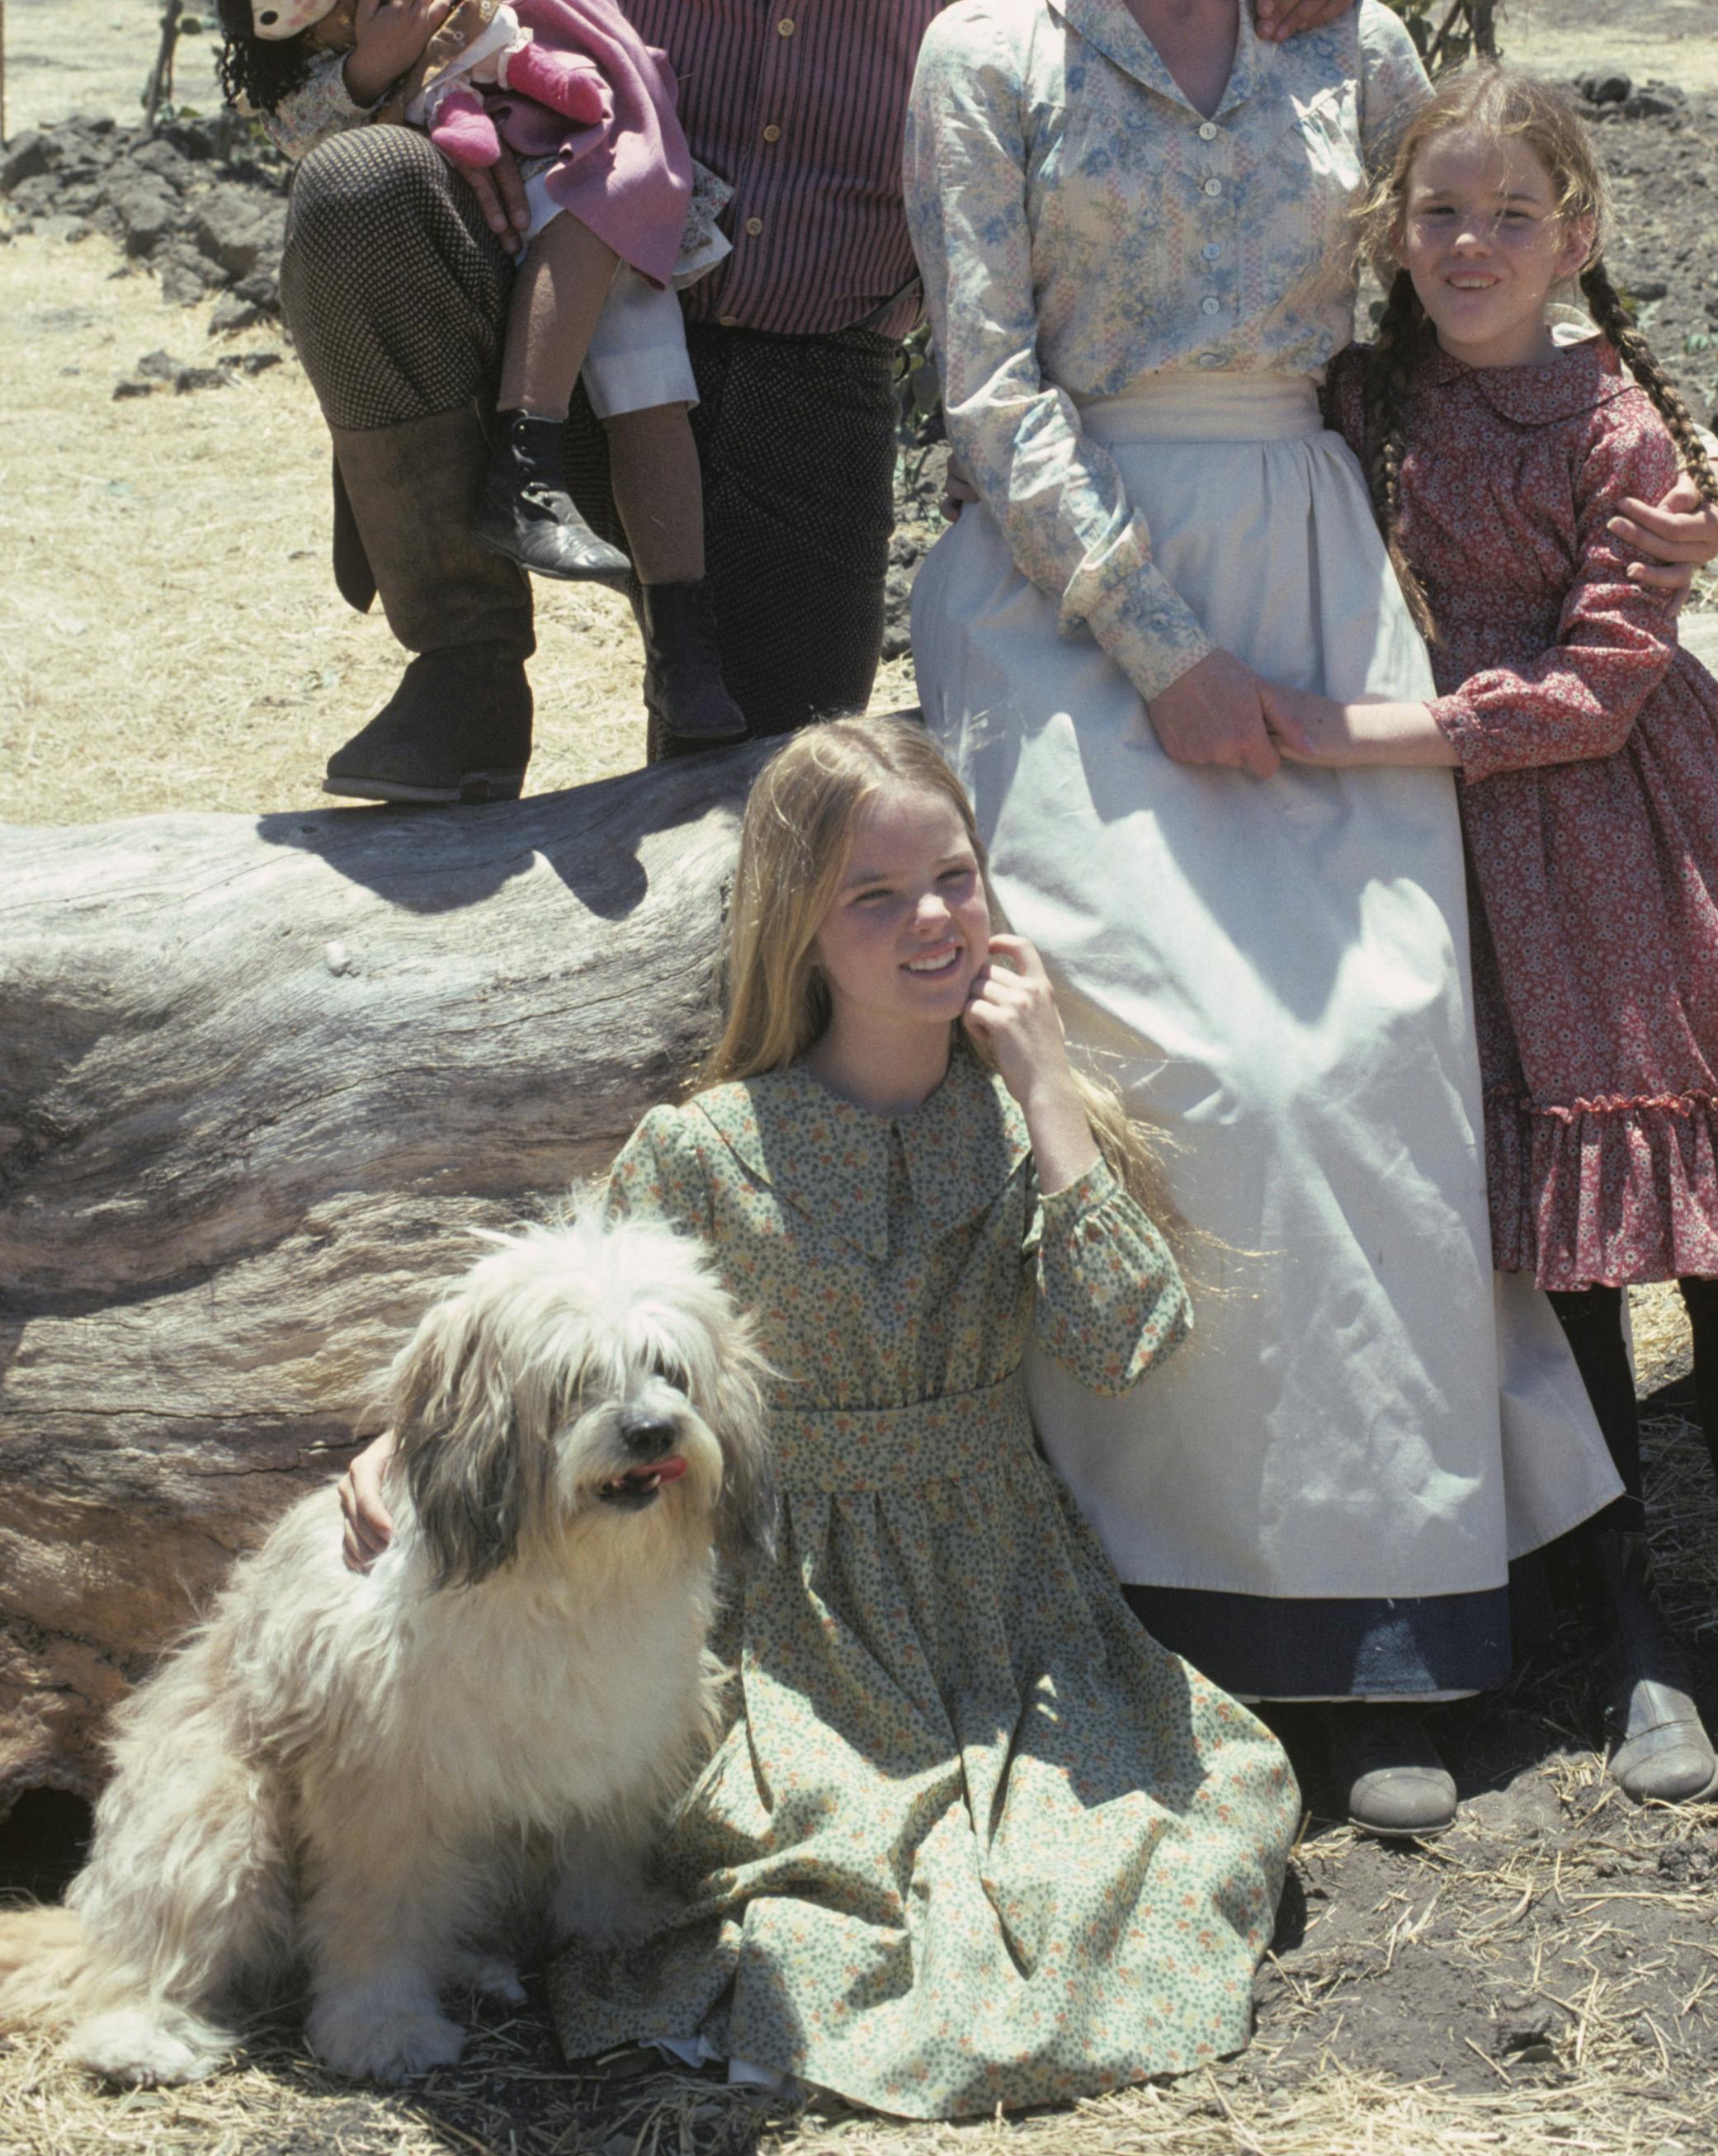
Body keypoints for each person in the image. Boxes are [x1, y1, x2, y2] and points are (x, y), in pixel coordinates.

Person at [904, 0, 1718, 1833]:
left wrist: (1623, 488)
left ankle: (1390, 1633)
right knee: (1189, 1065)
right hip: (1065, 603)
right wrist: (1156, 643)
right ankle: (1165, 1623)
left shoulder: (1339, 35)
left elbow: (1474, 279)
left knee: (1376, 1054)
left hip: (1323, 569)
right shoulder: (985, 52)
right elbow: (986, 389)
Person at [282, 0, 1368, 800]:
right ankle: (462, 673)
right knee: (359, 186)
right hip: (558, 352)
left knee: (756, 789)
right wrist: (357, 73)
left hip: (813, 402)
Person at [341, 715, 1300, 2120]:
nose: (932, 919)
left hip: (1004, 1594)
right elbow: (560, 1328)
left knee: (1128, 1844)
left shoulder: (1018, 1119)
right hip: (793, 1604)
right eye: (875, 895)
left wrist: (1048, 1088)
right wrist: (397, 1442)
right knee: (819, 1877)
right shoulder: (707, 1149)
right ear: (797, 923)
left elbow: (1124, 1342)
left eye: (954, 878)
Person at [1284, 64, 1718, 1801]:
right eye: (1439, 210)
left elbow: (1599, 688)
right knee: (1563, 1247)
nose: (1471, 243)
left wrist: (1357, 734)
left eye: (1511, 212)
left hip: (1642, 845)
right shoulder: (1363, 399)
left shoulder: (1618, 423)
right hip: (1470, 865)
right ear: (1390, 231)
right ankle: (1623, 1616)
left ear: (1576, 233)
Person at [259, 0, 743, 791]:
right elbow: (282, 120)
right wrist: (375, 70)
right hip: (440, 233)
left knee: (647, 370)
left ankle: (682, 642)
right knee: (354, 192)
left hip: (578, 178)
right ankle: (465, 661)